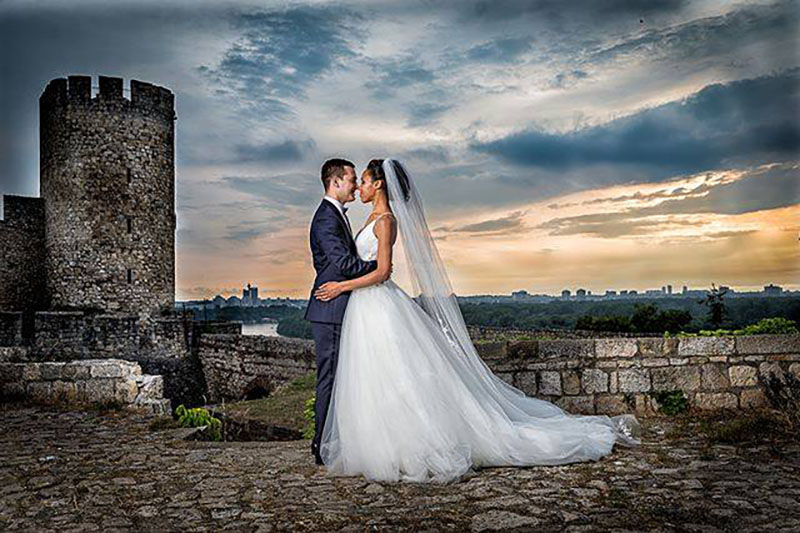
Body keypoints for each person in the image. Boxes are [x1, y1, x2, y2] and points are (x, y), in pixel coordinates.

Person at [312, 158, 642, 484]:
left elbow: (383, 272)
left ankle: (409, 443)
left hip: (378, 304)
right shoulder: (366, 217)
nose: (360, 186)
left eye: (364, 180)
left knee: (398, 374)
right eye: (356, 181)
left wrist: (341, 286)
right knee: (376, 375)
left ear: (379, 184)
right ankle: (378, 440)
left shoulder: (385, 220)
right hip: (365, 308)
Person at [304, 158, 379, 466]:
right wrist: (378, 269)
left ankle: (338, 439)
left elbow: (327, 264)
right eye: (351, 180)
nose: (355, 186)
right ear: (335, 182)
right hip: (330, 309)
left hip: (336, 304)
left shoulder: (333, 216)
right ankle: (323, 445)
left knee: (342, 377)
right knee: (330, 379)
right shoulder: (325, 218)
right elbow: (342, 264)